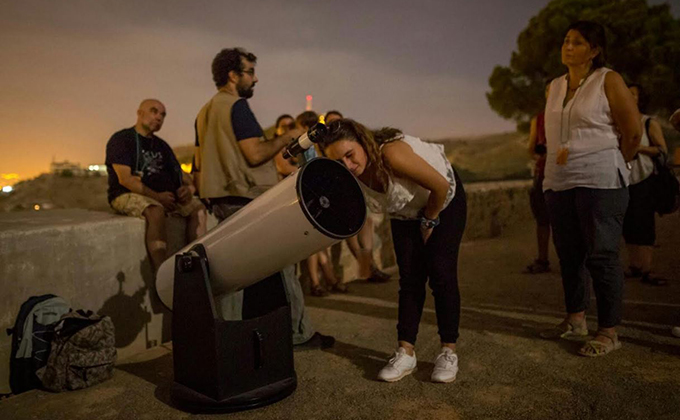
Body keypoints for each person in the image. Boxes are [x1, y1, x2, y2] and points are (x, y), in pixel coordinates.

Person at [193, 47, 333, 349]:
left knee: (231, 277)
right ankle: (299, 334)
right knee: (284, 264)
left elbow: (198, 164)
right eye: (250, 72)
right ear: (233, 75)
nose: (255, 79)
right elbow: (255, 154)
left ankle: (226, 341)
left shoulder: (204, 112)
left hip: (221, 202)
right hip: (245, 199)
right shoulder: (236, 106)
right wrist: (286, 137)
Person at [319, 119, 466, 384]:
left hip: (443, 201)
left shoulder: (391, 154)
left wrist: (430, 220)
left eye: (350, 155)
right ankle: (406, 352)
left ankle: (448, 351)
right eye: (339, 162)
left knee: (441, 273)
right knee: (410, 279)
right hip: (405, 211)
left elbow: (440, 187)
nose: (348, 167)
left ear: (363, 142)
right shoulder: (349, 174)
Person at [539, 21, 641, 357]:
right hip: (559, 180)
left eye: (578, 42)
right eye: (566, 40)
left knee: (601, 255)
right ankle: (575, 319)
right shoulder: (553, 86)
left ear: (594, 50)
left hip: (600, 178)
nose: (568, 47)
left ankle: (609, 331)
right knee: (569, 255)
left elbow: (633, 132)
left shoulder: (608, 80)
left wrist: (613, 161)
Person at [106, 99, 207, 272]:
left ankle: (197, 264)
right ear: (140, 113)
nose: (159, 117)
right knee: (155, 210)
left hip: (166, 197)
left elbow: (183, 176)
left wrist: (188, 190)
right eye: (154, 111)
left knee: (198, 209)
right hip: (126, 194)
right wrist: (158, 197)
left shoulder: (162, 146)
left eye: (163, 115)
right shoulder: (122, 140)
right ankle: (162, 273)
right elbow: (125, 179)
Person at [326, 109, 392, 283]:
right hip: (343, 195)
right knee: (351, 235)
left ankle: (369, 268)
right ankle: (366, 269)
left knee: (367, 226)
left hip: (360, 193)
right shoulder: (328, 148)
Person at [294, 111, 348, 296]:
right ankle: (321, 281)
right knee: (315, 243)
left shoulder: (314, 144)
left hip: (315, 192)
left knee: (319, 242)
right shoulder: (305, 143)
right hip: (309, 193)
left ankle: (325, 280)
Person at [622, 84, 668, 286]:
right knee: (628, 223)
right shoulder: (618, 123)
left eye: (632, 94)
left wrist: (638, 147)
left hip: (645, 177)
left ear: (640, 99)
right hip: (623, 179)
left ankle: (647, 268)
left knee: (644, 224)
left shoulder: (648, 122)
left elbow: (661, 150)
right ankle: (634, 265)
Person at [524, 84, 552, 274]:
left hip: (567, 174)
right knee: (542, 219)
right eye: (549, 90)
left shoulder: (571, 116)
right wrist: (539, 155)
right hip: (543, 173)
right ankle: (543, 259)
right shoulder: (539, 119)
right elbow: (531, 148)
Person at [273, 114, 298, 179]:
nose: (288, 129)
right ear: (277, 130)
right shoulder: (276, 147)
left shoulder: (297, 142)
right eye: (284, 127)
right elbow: (285, 168)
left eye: (291, 126)